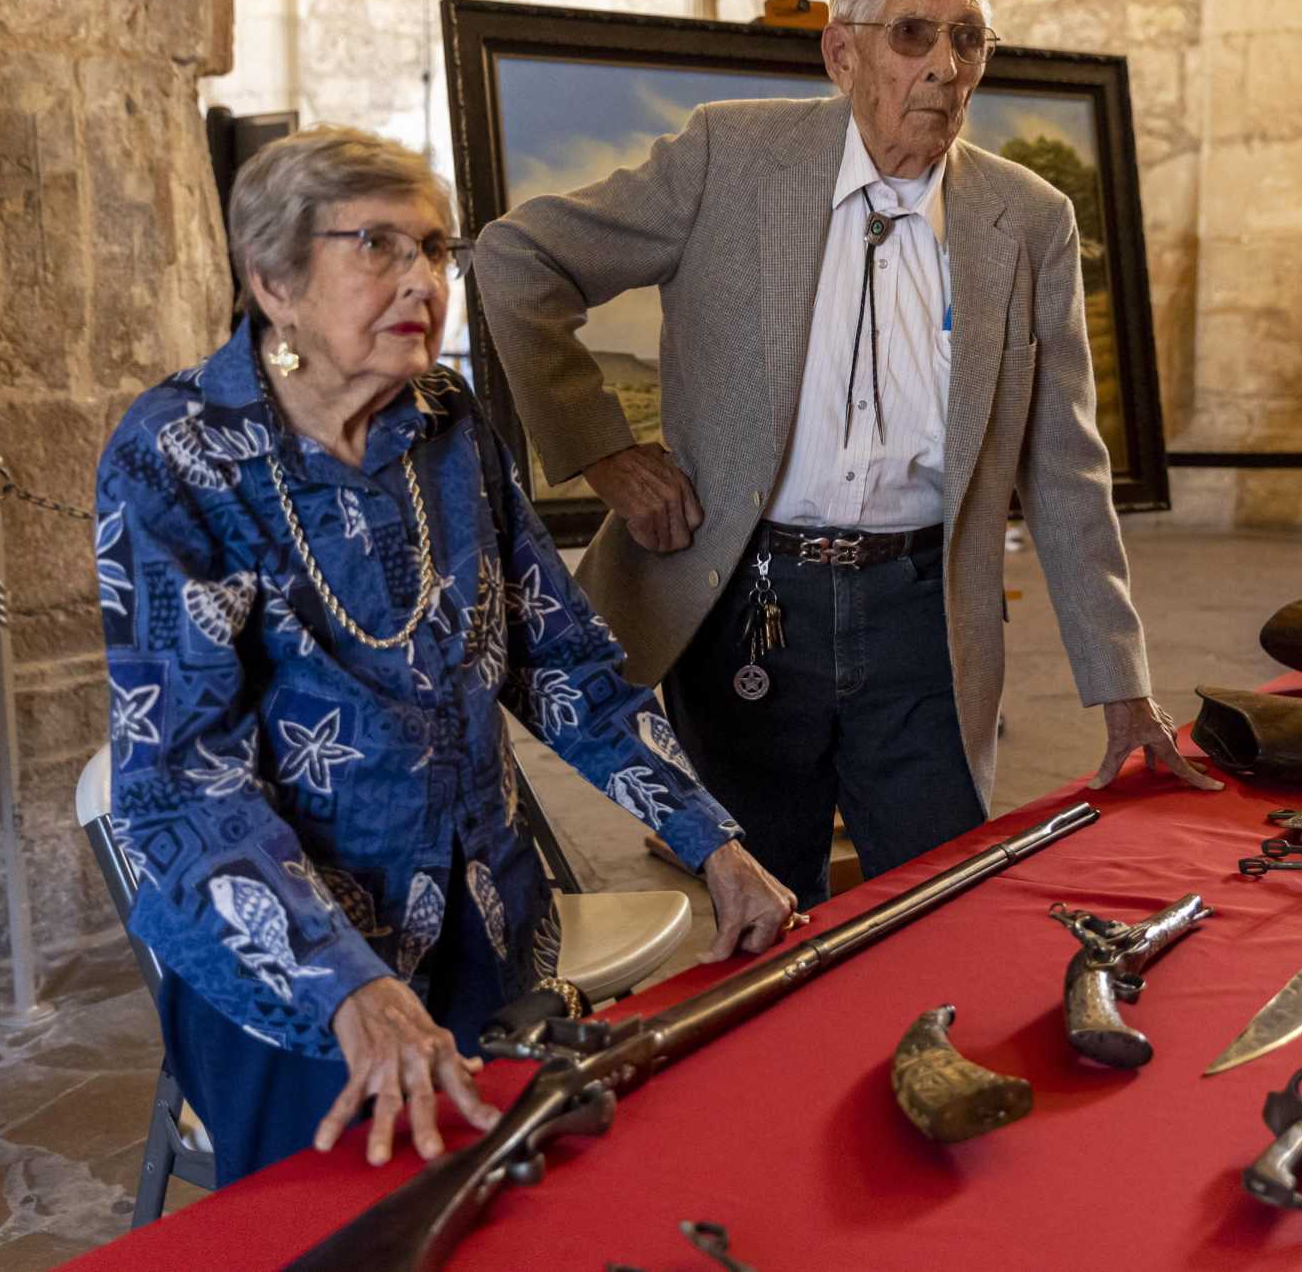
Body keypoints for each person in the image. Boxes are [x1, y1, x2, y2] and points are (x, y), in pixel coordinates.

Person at [95, 127, 797, 1183]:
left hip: (486, 935)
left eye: (434, 250)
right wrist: (349, 989)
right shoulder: (178, 454)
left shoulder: (447, 426)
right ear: (274, 280)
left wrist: (712, 844)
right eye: (376, 246)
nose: (421, 279)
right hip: (296, 984)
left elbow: (562, 663)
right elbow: (183, 784)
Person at [476, 0, 1221, 912]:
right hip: (743, 604)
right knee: (756, 904)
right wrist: (603, 451)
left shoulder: (1026, 219)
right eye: (912, 34)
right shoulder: (726, 157)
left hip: (925, 612)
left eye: (968, 39)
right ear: (842, 55)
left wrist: (1120, 684)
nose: (945, 67)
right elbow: (513, 258)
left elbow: (1062, 464)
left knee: (938, 902)